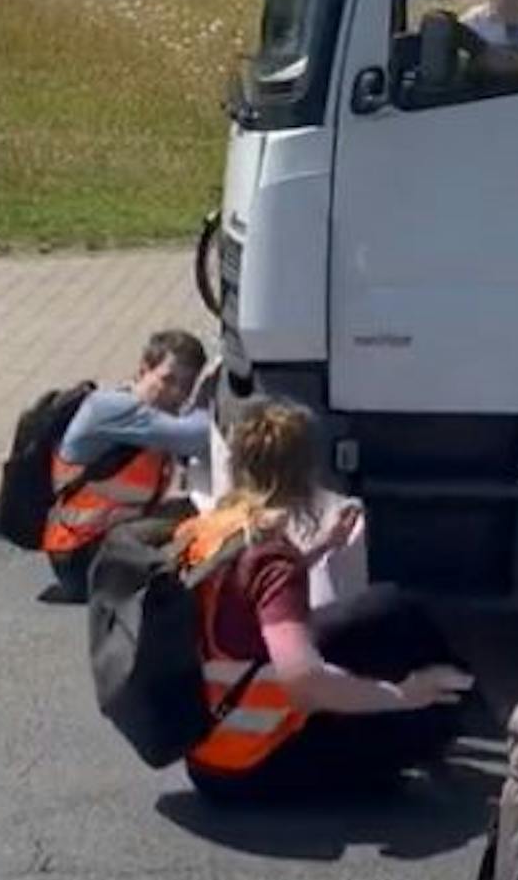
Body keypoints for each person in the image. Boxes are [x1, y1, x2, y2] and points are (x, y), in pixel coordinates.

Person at [174, 398, 473, 803]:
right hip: (252, 762)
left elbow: (239, 593)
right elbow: (304, 681)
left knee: (385, 606)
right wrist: (401, 696)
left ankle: (450, 696)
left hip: (204, 750)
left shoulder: (204, 531)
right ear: (306, 473)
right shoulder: (270, 560)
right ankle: (441, 709)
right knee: (405, 722)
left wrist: (319, 548)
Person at [43, 328, 210, 601]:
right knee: (201, 524)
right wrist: (210, 393)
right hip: (82, 555)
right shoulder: (117, 409)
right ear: (144, 369)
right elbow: (196, 436)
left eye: (186, 385)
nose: (176, 393)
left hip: (91, 543)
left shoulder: (143, 412)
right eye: (167, 380)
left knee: (188, 513)